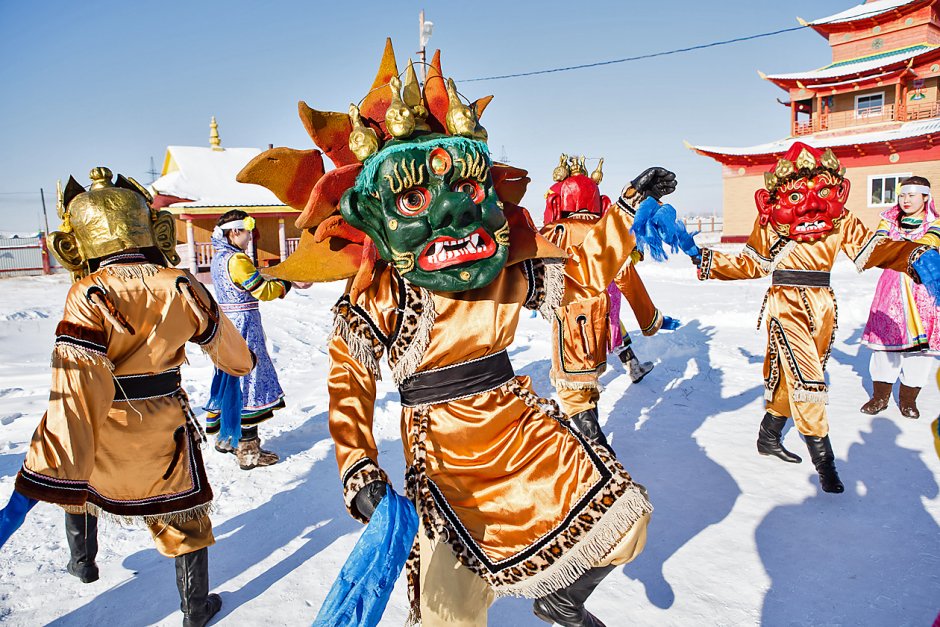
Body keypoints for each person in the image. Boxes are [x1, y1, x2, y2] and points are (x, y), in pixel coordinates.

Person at [236, 42, 690, 627]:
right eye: (416, 199)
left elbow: (581, 272)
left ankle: (561, 598)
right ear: (376, 213)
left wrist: (626, 207)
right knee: (450, 611)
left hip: (520, 429)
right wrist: (360, 468)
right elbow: (349, 382)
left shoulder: (500, 266)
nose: (451, 216)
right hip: (442, 449)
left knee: (625, 520)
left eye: (467, 193)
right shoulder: (379, 292)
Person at [11, 167, 253, 627]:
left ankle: (83, 561)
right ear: (151, 229)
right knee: (183, 512)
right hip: (163, 424)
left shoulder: (88, 292)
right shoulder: (181, 284)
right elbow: (237, 360)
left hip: (104, 421)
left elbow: (76, 384)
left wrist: (51, 456)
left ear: (77, 243)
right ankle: (195, 608)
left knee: (83, 477)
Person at [685, 142, 940, 494]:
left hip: (823, 305)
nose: (811, 202)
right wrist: (706, 261)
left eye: (822, 190)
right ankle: (825, 463)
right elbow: (752, 262)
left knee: (791, 376)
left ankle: (768, 436)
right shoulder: (771, 223)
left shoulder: (842, 219)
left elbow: (872, 250)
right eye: (797, 195)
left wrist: (913, 255)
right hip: (786, 303)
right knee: (809, 382)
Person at [540, 155, 677, 450]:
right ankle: (598, 443)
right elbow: (625, 274)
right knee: (590, 377)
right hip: (603, 304)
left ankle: (599, 452)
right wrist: (650, 318)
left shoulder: (555, 231)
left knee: (576, 389)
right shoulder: (604, 227)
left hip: (571, 314)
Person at [204, 210, 295, 470]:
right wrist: (285, 285)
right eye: (246, 233)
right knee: (248, 380)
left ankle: (227, 438)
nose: (249, 239)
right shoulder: (237, 260)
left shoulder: (218, 258)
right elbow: (262, 291)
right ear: (234, 232)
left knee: (229, 378)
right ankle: (248, 450)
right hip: (244, 329)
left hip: (226, 327)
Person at [860, 176, 940, 418]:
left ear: (925, 197)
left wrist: (900, 248)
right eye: (902, 195)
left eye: (911, 195)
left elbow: (926, 247)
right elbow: (877, 249)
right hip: (891, 291)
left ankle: (908, 400)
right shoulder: (888, 224)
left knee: (920, 352)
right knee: (885, 346)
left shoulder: (934, 226)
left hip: (922, 294)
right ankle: (880, 397)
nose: (905, 200)